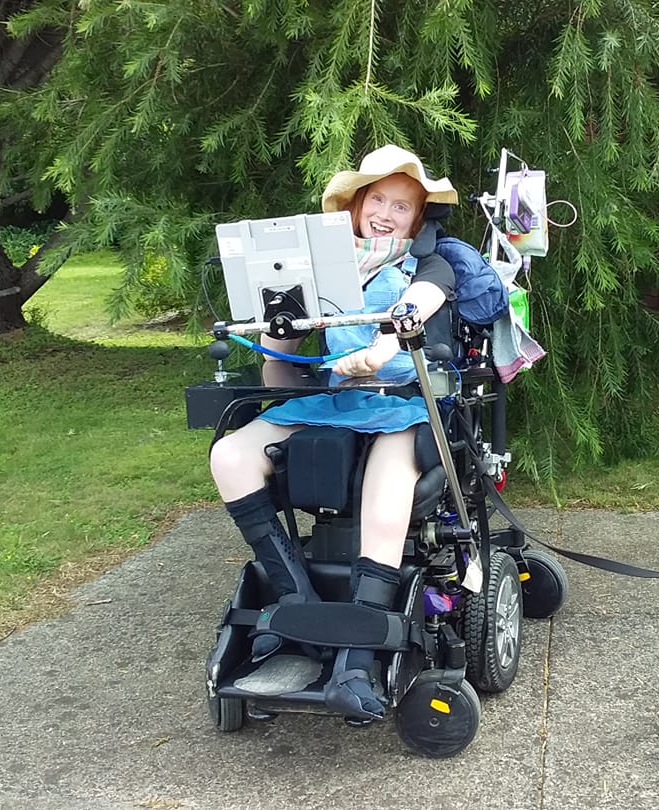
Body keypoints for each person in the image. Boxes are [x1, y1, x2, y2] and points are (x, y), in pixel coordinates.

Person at [209, 144, 458, 722]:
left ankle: (357, 654)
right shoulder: (317, 268)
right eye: (378, 200)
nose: (386, 214)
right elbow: (278, 360)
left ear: (417, 219)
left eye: (403, 206)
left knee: (389, 477)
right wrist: (277, 322)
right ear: (355, 205)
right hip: (333, 395)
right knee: (230, 455)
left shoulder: (429, 265)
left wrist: (381, 348)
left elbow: (419, 306)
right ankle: (295, 601)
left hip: (398, 395)